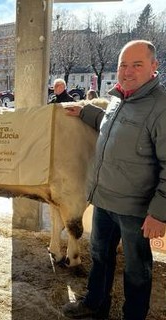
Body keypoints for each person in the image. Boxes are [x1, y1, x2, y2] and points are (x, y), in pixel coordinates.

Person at [61, 40, 166, 320]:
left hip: (136, 209)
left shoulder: (161, 107)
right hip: (104, 199)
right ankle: (95, 305)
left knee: (136, 269)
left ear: (154, 67)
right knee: (100, 255)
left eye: (137, 65)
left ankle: (133, 315)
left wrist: (159, 213)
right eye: (123, 65)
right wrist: (85, 112)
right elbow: (109, 126)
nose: (127, 71)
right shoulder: (119, 97)